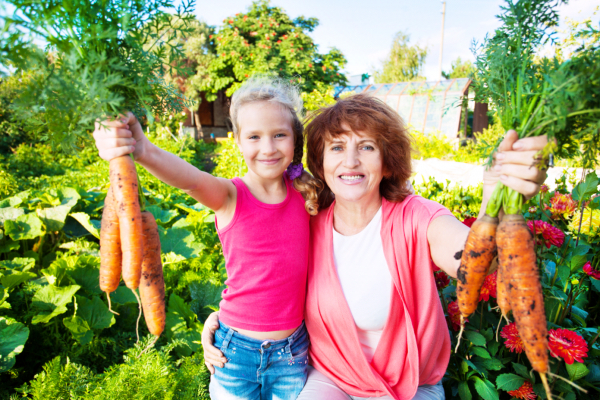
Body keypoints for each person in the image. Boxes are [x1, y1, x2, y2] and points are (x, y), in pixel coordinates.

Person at [202, 93, 548, 400]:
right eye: (337, 148)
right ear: (321, 162)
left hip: (409, 384)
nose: (350, 161)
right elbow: (261, 265)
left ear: (387, 160)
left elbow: (472, 261)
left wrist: (493, 206)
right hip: (332, 378)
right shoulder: (311, 218)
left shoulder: (415, 217)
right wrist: (226, 323)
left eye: (366, 147)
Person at [93, 77, 322, 400]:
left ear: (295, 140)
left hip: (293, 352)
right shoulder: (230, 195)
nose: (268, 148)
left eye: (279, 135)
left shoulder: (307, 195)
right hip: (234, 353)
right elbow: (190, 180)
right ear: (238, 142)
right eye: (254, 137)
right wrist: (141, 149)